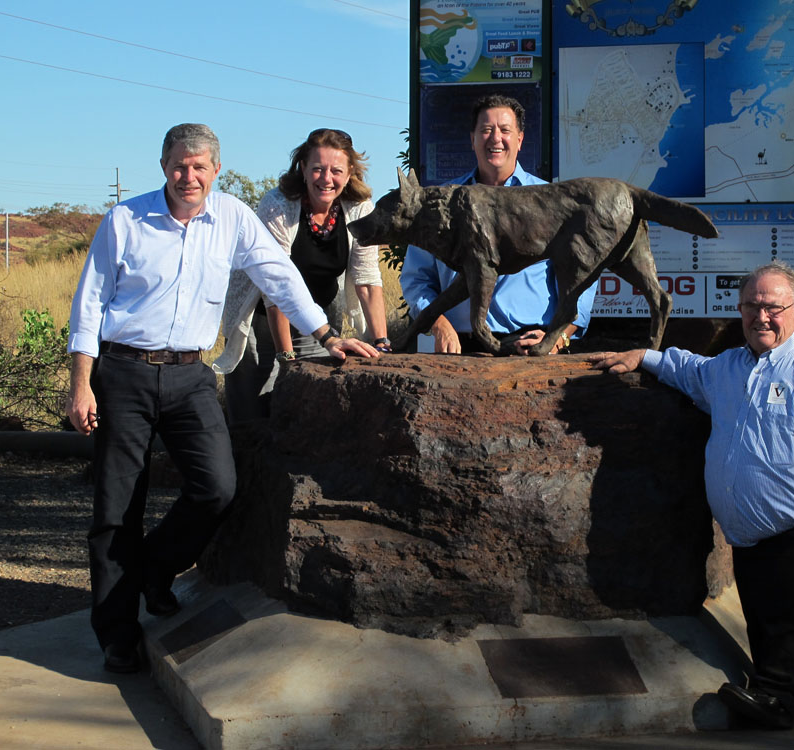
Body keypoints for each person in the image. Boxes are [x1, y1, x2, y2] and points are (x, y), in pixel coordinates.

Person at [65, 123, 379, 674]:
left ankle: (153, 570)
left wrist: (327, 336)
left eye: (201, 167)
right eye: (180, 166)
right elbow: (89, 304)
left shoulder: (232, 217)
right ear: (164, 165)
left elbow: (278, 275)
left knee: (217, 487)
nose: (190, 176)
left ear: (215, 170)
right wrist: (81, 383)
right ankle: (117, 633)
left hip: (190, 376)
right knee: (117, 510)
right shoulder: (124, 221)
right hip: (123, 373)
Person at [588, 261, 794, 729]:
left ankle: (776, 700)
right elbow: (688, 369)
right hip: (747, 533)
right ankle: (791, 691)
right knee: (765, 620)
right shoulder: (726, 369)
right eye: (751, 306)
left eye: (773, 308)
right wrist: (645, 356)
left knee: (791, 622)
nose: (761, 317)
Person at [400, 94, 598, 355]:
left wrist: (558, 336)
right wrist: (437, 322)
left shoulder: (552, 201)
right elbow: (416, 279)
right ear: (472, 139)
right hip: (458, 348)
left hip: (531, 346)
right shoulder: (438, 205)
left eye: (505, 130)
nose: (495, 138)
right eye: (486, 130)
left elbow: (582, 276)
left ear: (519, 139)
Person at [215, 128, 389, 421]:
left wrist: (382, 343)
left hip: (316, 318)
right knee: (252, 413)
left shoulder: (360, 208)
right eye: (317, 169)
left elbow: (368, 280)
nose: (326, 178)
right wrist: (286, 358)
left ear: (349, 175)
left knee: (305, 411)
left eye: (336, 170)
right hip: (260, 316)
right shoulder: (278, 205)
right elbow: (275, 287)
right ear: (303, 170)